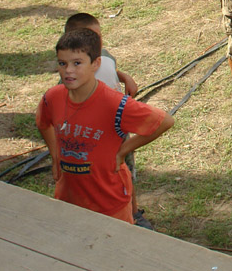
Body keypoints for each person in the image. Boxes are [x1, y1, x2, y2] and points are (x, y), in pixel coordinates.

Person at [36, 28, 174, 222]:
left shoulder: (114, 103)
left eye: (77, 63)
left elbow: (164, 121)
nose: (68, 71)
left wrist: (121, 152)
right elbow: (43, 123)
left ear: (96, 64)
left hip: (110, 204)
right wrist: (55, 154)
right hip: (69, 199)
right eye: (62, 63)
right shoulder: (52, 97)